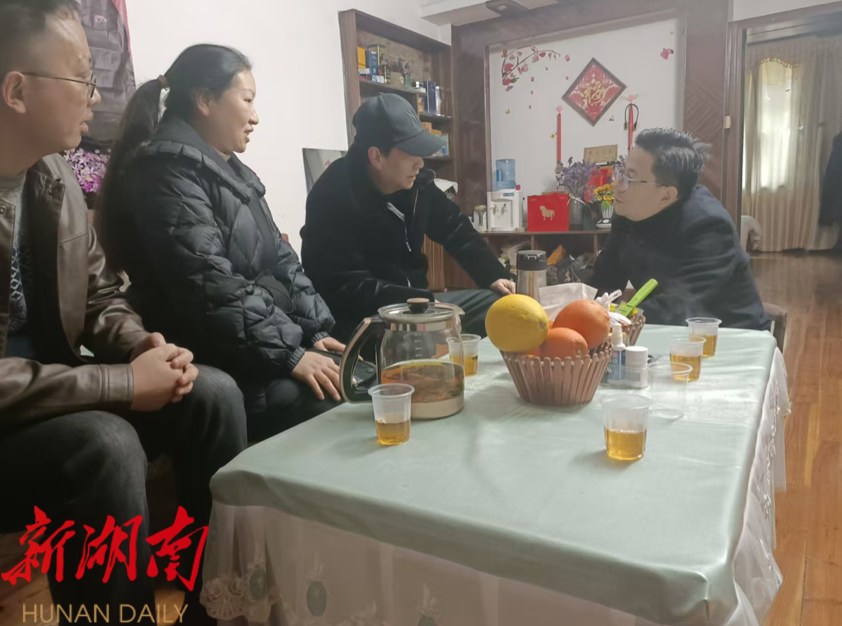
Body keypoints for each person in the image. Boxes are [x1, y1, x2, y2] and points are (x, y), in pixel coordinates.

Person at [0, 1, 247, 624]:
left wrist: (141, 347)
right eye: (82, 77)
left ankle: (214, 606)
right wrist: (122, 383)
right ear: (17, 91)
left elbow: (100, 295)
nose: (96, 95)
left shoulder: (54, 178)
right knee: (104, 445)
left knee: (213, 393)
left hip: (53, 396)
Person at [97, 45, 344, 441]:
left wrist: (314, 330)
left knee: (357, 376)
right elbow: (208, 285)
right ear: (205, 101)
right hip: (210, 349)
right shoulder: (165, 173)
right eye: (247, 100)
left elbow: (281, 259)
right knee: (337, 405)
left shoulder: (231, 171)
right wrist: (291, 355)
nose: (255, 116)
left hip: (254, 342)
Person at [301, 94, 515, 342]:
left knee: (502, 307)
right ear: (376, 156)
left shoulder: (416, 184)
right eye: (412, 152)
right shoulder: (332, 195)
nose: (420, 163)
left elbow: (454, 227)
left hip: (419, 304)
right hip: (368, 319)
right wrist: (424, 306)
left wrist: (493, 274)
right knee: (430, 341)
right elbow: (344, 287)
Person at [591, 128, 770, 330]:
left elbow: (678, 306)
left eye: (629, 179)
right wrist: (585, 312)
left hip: (731, 336)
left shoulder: (710, 226)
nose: (617, 185)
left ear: (666, 195)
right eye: (621, 172)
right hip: (670, 332)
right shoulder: (628, 212)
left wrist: (613, 320)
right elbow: (605, 282)